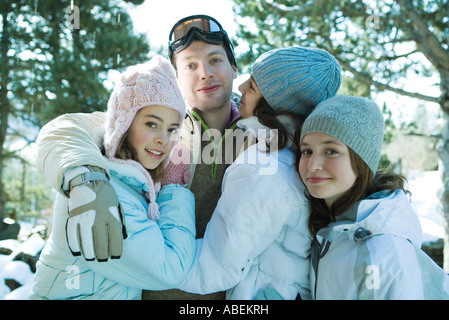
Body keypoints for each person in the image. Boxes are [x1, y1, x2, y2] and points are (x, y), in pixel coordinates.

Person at [35, 14, 245, 299]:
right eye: (190, 65)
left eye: (215, 60)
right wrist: (88, 181)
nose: (205, 73)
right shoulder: (148, 120)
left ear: (233, 67)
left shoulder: (260, 135)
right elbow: (63, 129)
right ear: (177, 78)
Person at [179, 46, 342, 300]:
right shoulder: (297, 157)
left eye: (253, 86)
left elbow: (212, 269)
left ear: (275, 106)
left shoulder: (262, 168)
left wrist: (138, 247)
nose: (241, 86)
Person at [30, 56, 196, 300]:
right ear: (125, 124)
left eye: (172, 129)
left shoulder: (133, 183)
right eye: (152, 124)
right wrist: (173, 189)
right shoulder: (107, 192)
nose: (164, 139)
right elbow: (172, 269)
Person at [298, 95, 449, 299]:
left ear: (361, 161)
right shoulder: (332, 228)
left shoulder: (382, 252)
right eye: (307, 151)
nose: (312, 164)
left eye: (331, 151)